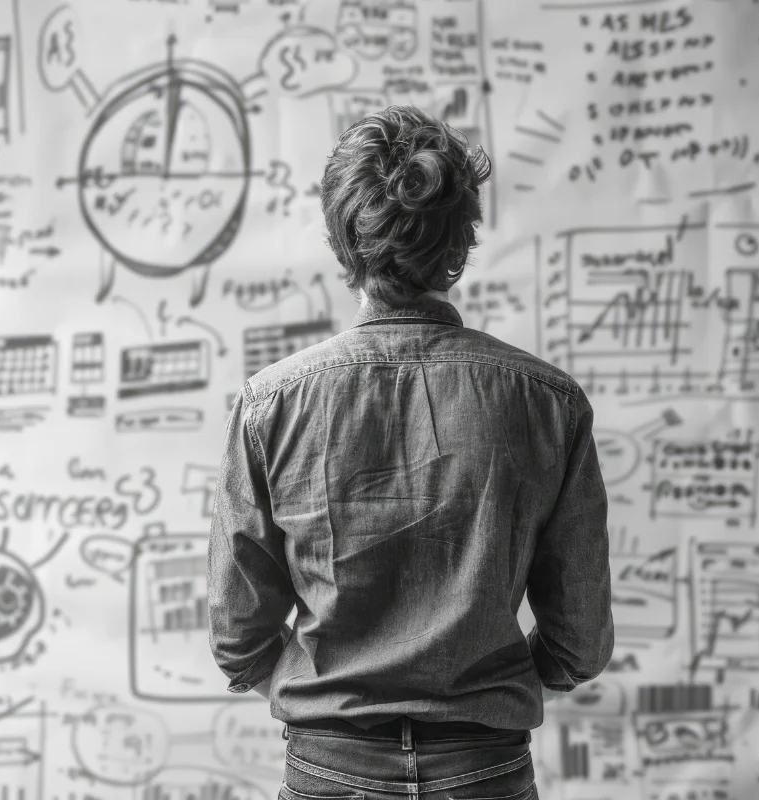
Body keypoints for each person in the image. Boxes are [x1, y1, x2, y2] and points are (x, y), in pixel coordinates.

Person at [207, 105, 614, 800]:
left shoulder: (270, 404)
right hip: (484, 768)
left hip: (327, 769)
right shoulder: (549, 401)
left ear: (345, 239)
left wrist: (320, 695)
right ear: (460, 241)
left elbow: (237, 636)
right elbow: (578, 642)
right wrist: (489, 692)